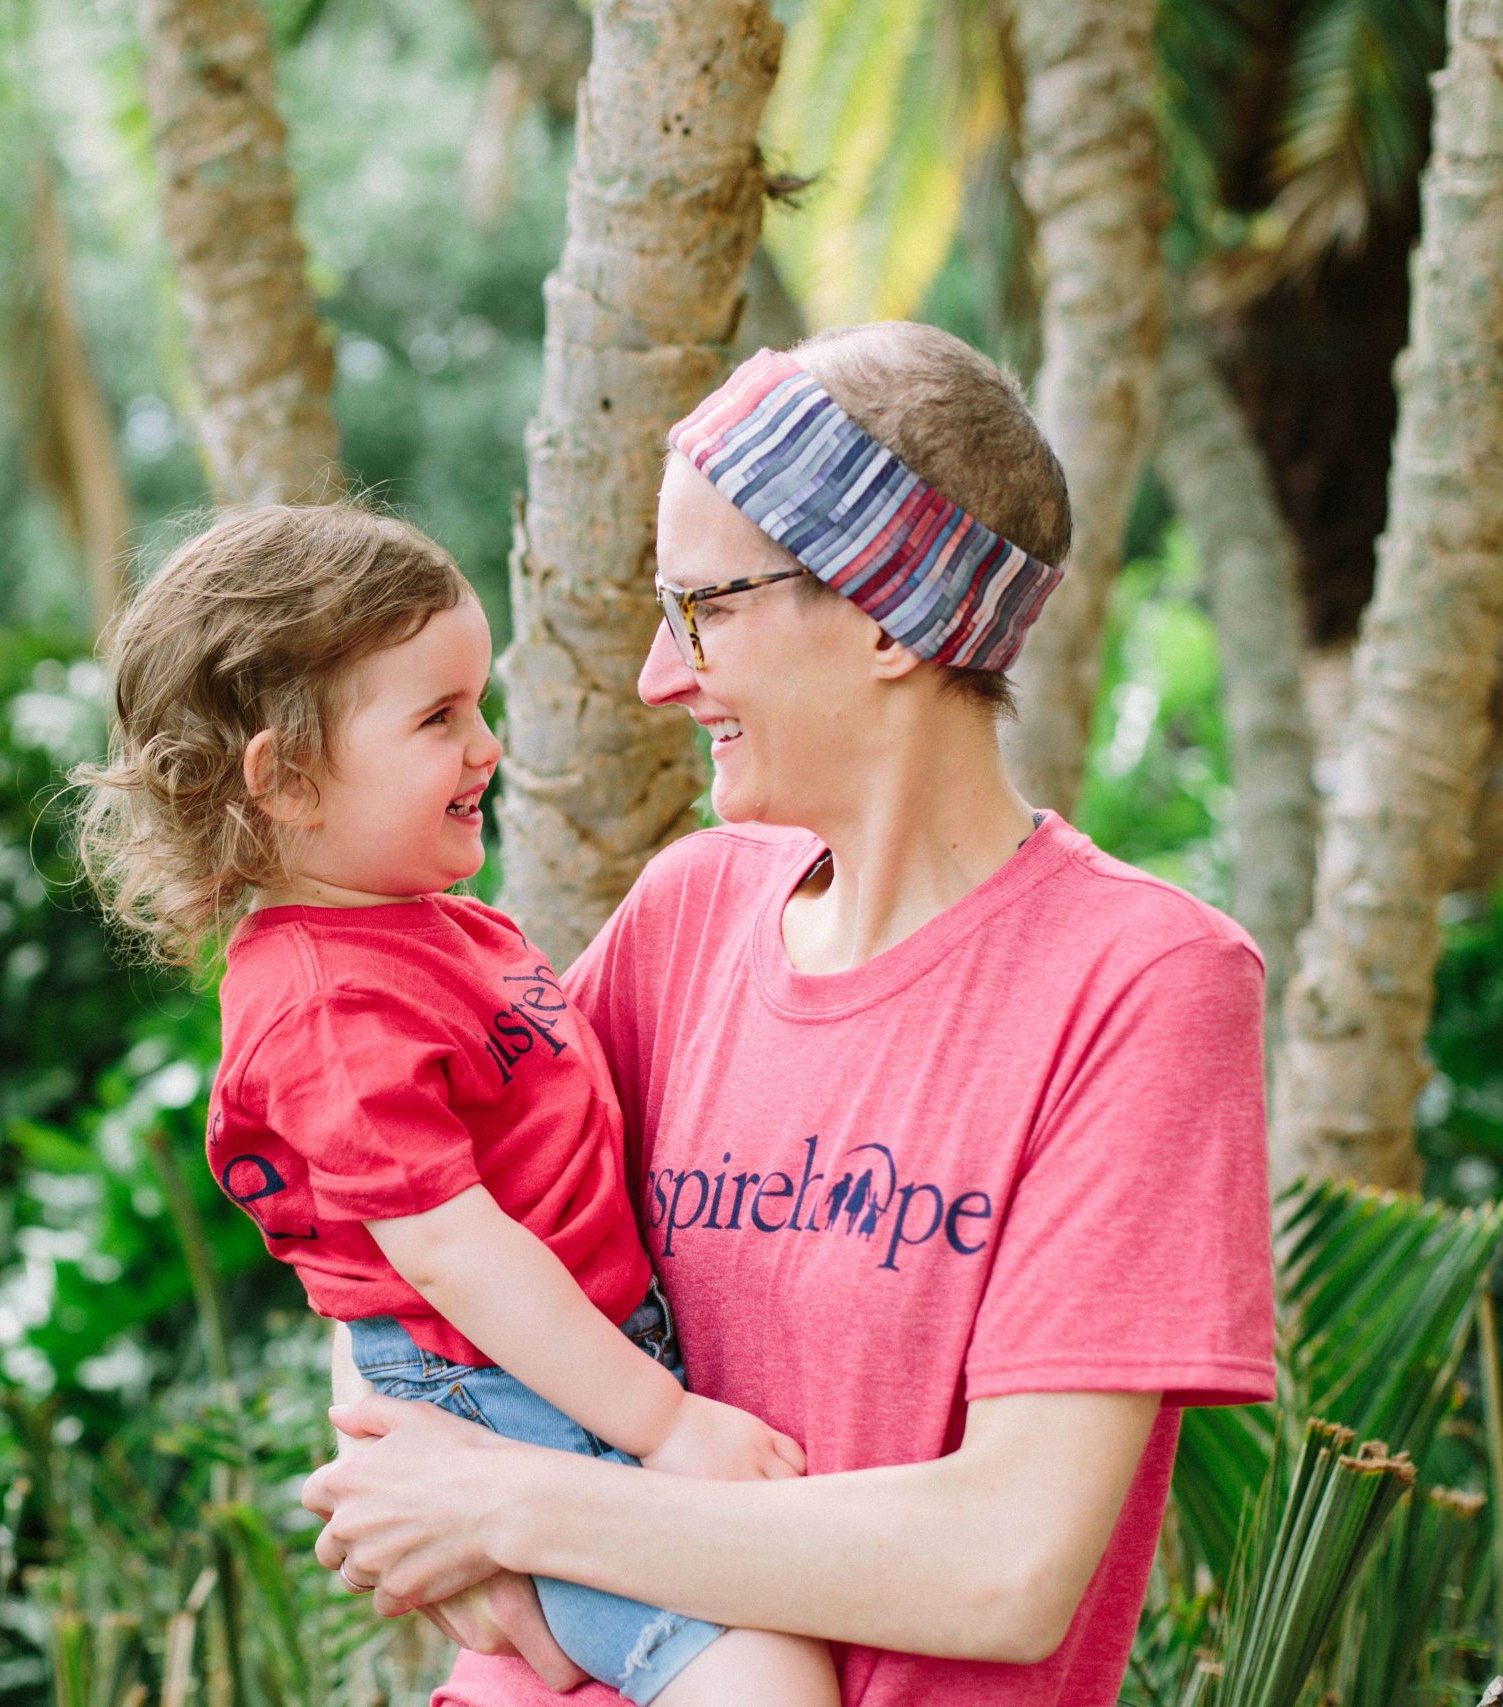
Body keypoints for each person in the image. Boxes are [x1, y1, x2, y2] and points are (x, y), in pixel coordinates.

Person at [302, 322, 1279, 1707]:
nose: (659, 672)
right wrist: (422, 1468)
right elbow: (387, 1210)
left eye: (704, 607)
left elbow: (1004, 1561)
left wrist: (502, 1505)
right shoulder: (686, 915)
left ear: (886, 611)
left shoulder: (1140, 981)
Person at [72, 504, 842, 1705]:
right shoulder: (326, 1004)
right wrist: (667, 1428)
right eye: (437, 719)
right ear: (285, 782)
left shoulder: (423, 925)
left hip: (553, 1366)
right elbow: (447, 1252)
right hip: (507, 1391)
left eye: (475, 705)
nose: (484, 746)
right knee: (762, 1675)